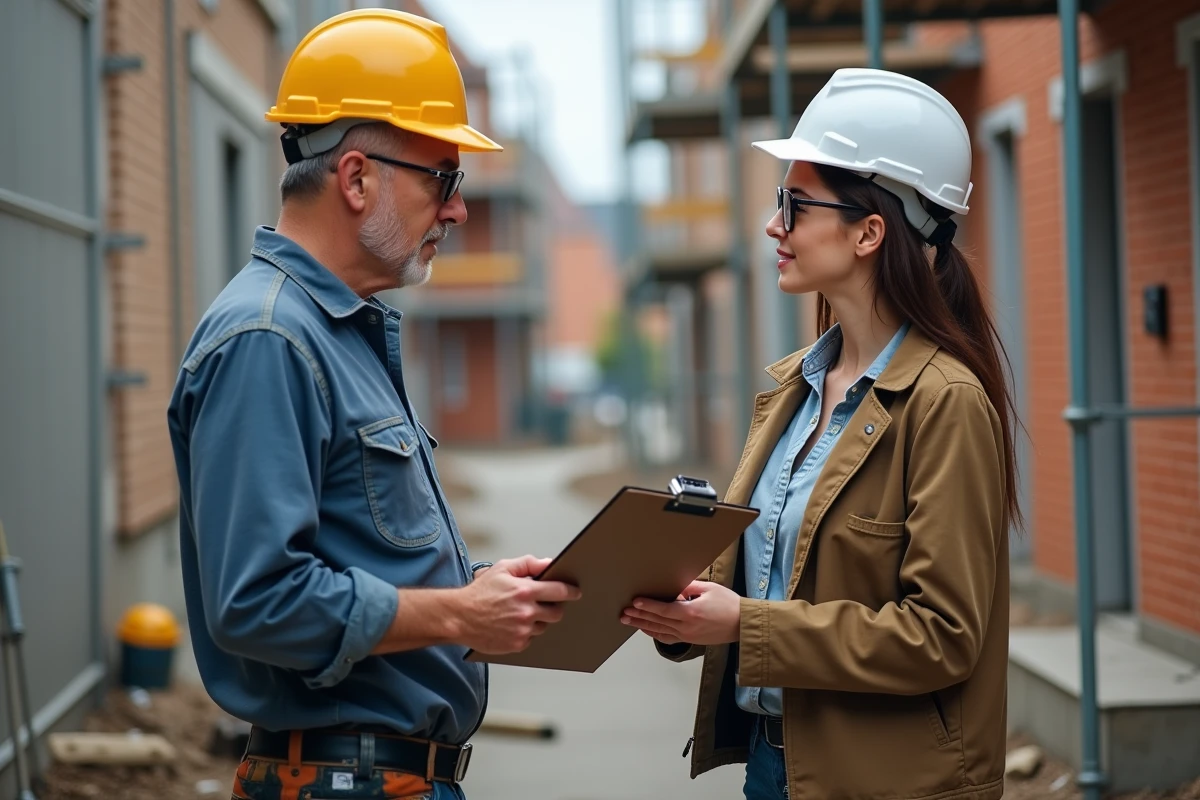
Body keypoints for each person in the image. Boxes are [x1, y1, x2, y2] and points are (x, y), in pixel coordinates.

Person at [166, 10, 580, 800]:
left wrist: (485, 591)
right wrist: (457, 617)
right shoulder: (268, 339)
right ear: (356, 178)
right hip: (336, 777)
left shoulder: (336, 332)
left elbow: (358, 550)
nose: (457, 209)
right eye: (443, 179)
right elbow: (257, 603)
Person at [621, 68, 1018, 800]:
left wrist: (745, 624)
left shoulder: (946, 403)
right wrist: (676, 609)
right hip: (777, 770)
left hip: (890, 783)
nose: (774, 225)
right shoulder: (793, 388)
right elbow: (766, 572)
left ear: (870, 231)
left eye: (794, 205)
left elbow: (941, 636)